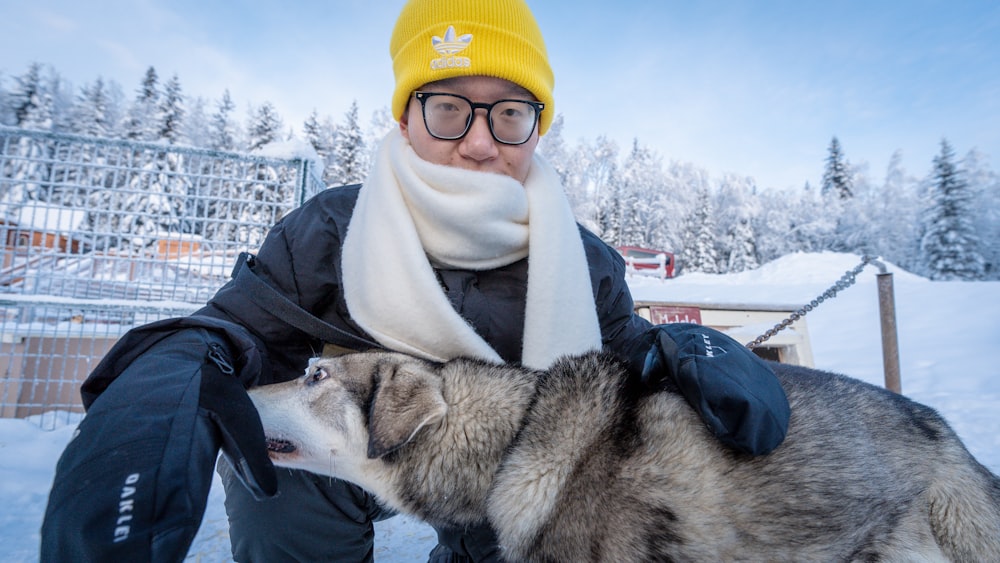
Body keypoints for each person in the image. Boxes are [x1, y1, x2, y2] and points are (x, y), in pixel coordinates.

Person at [40, 0, 790, 561]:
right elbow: (243, 325)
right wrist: (174, 373)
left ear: (538, 126)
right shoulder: (332, 230)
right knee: (285, 462)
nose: (477, 141)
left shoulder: (583, 259)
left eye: (508, 114)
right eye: (448, 107)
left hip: (508, 482)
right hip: (352, 466)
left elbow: (616, 364)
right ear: (405, 117)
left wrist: (677, 352)